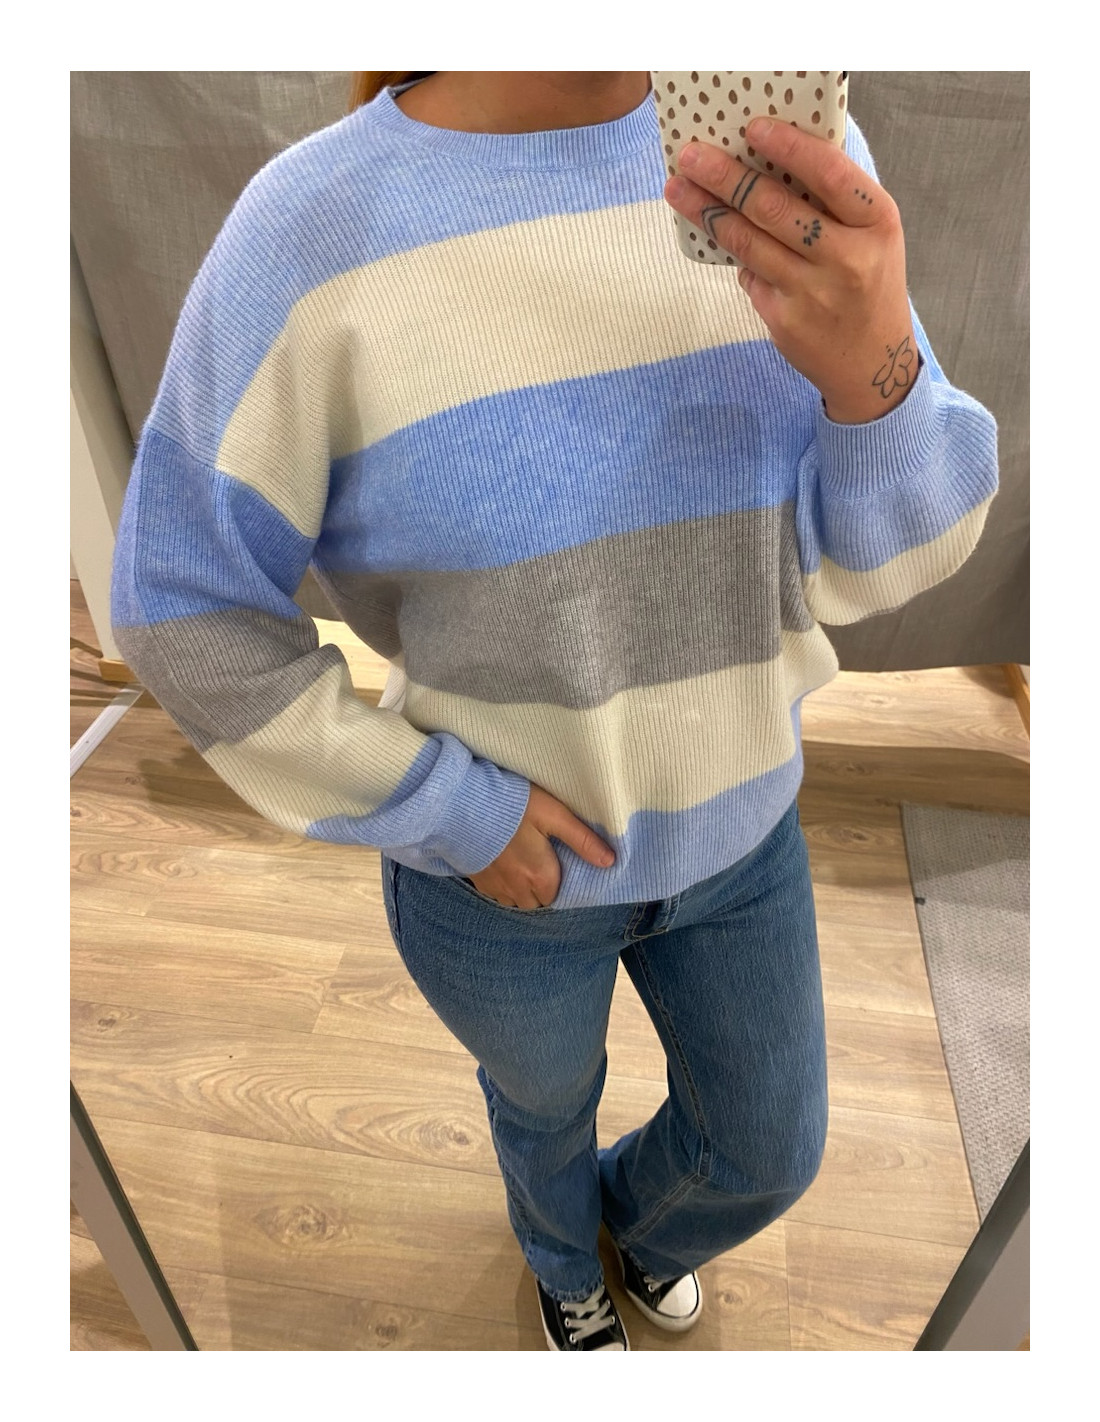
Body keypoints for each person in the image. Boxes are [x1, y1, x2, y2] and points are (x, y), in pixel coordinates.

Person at [111, 71, 999, 1351]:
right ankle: (559, 1259)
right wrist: (448, 812)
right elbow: (178, 600)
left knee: (766, 1148)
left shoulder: (779, 160)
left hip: (743, 835)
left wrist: (877, 380)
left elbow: (878, 565)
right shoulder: (310, 228)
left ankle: (633, 1233)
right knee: (541, 1112)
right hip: (498, 883)